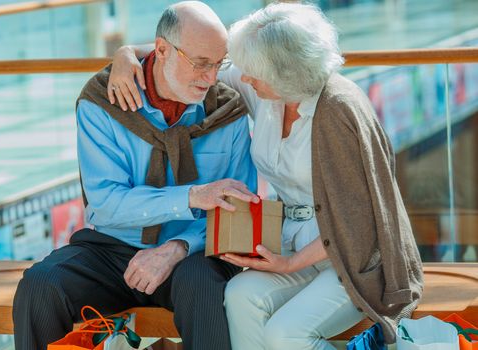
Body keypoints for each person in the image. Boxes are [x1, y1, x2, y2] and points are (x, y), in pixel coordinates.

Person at [108, 2, 424, 349]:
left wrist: (291, 264)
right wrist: (126, 55)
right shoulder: (266, 92)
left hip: (351, 258)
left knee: (284, 334)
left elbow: (359, 222)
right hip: (291, 242)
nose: (241, 77)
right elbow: (182, 55)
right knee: (240, 295)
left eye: (252, 72)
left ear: (285, 72)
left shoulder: (338, 110)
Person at [12, 2, 258, 350]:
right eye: (202, 64)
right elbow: (107, 204)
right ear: (161, 50)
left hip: (192, 253)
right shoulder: (102, 103)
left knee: (203, 287)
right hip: (114, 249)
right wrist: (191, 196)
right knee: (41, 284)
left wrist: (178, 247)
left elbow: (239, 209)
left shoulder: (227, 111)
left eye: (219, 64)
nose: (211, 77)